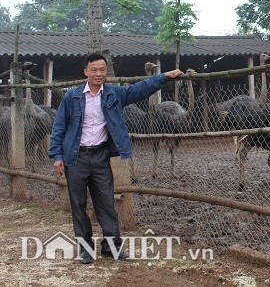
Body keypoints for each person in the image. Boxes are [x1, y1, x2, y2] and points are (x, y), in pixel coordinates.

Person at [48, 53, 183, 263]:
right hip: (76, 157)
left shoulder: (114, 94)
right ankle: (85, 249)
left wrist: (163, 76)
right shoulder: (72, 97)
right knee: (78, 204)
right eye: (94, 70)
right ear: (86, 72)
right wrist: (57, 156)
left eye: (102, 70)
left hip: (100, 156)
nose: (98, 74)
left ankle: (111, 247)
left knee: (106, 203)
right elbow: (59, 127)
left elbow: (139, 90)